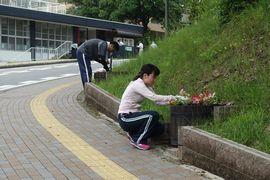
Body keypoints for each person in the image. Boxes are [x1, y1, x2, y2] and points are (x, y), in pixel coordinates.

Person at [117, 64, 177, 150]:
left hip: (134, 117)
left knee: (160, 128)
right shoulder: (138, 84)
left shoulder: (146, 86)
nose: (155, 80)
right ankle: (138, 140)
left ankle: (133, 133)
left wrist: (172, 102)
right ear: (145, 75)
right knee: (152, 115)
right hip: (125, 118)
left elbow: (158, 101)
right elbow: (154, 97)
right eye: (154, 77)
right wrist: (171, 97)